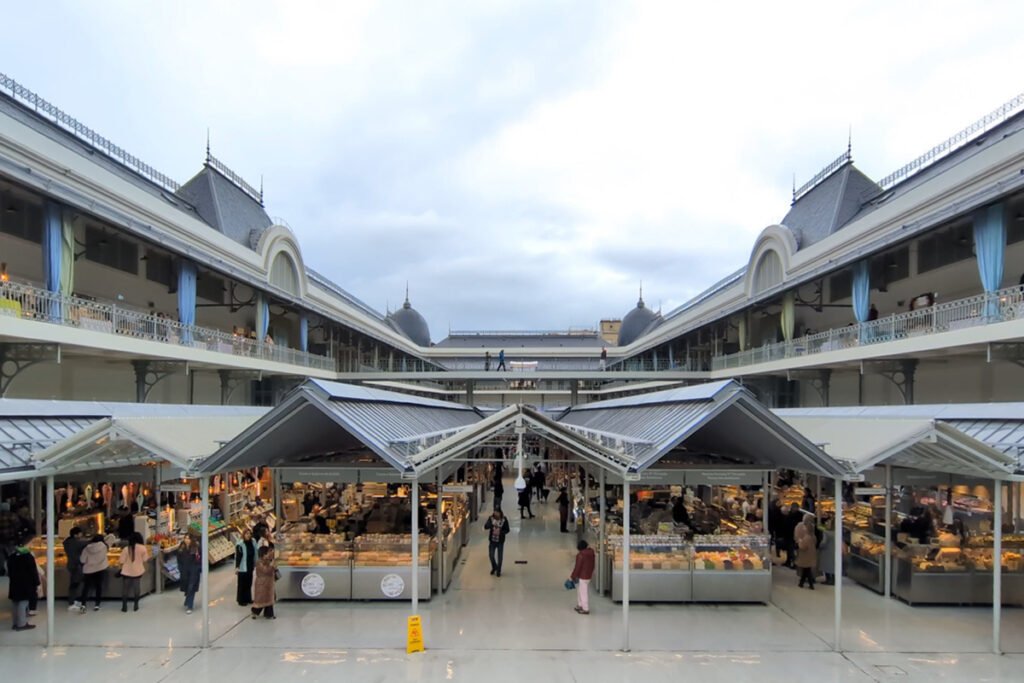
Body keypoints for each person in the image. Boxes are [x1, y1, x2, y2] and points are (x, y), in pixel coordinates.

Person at [6, 532, 40, 631]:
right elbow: (33, 571)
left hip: (15, 583)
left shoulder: (12, 556)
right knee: (23, 602)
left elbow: (9, 570)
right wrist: (37, 583)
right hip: (26, 584)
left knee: (15, 602)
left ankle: (15, 623)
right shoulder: (28, 556)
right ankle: (21, 624)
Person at [119, 531, 150, 612]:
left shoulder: (126, 549)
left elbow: (121, 561)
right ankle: (136, 605)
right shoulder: (142, 548)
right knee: (137, 588)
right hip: (138, 570)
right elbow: (145, 559)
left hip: (126, 571)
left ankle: (124, 606)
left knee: (125, 589)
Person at [79, 533, 109, 611]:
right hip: (100, 569)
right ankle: (97, 604)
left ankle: (83, 604)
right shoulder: (104, 547)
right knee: (98, 587)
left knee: (86, 587)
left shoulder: (86, 548)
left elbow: (82, 560)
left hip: (88, 570)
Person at [63, 526, 87, 611]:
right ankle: (71, 603)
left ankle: (73, 600)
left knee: (74, 583)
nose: (81, 535)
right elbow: (87, 543)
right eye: (80, 533)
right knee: (74, 584)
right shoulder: (75, 543)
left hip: (71, 565)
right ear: (75, 535)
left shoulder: (67, 542)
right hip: (75, 565)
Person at [569, 539, 596, 615]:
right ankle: (580, 605)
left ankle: (585, 608)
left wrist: (572, 576)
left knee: (583, 592)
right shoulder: (591, 553)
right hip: (588, 575)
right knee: (580, 590)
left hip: (582, 576)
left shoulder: (580, 555)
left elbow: (577, 567)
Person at [177, 535, 202, 614]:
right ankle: (187, 600)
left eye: (188, 538)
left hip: (194, 570)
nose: (186, 540)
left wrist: (199, 568)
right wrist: (180, 568)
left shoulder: (195, 547)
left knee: (191, 586)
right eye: (185, 538)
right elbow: (179, 559)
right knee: (187, 586)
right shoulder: (181, 548)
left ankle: (190, 606)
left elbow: (199, 558)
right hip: (185, 570)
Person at [251, 546, 276, 619]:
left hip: (268, 583)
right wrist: (272, 566)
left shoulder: (268, 560)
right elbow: (266, 571)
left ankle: (269, 614)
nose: (270, 554)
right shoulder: (259, 562)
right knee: (261, 599)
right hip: (262, 584)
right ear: (263, 554)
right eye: (268, 553)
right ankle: (255, 611)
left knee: (269, 598)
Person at [483, 509, 510, 577]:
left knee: (500, 557)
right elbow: (486, 526)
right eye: (495, 512)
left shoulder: (504, 520)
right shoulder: (491, 519)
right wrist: (490, 525)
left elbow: (507, 529)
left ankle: (499, 570)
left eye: (497, 512)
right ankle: (494, 566)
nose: (496, 514)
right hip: (492, 541)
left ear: (500, 513)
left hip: (500, 541)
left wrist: (501, 532)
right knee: (491, 555)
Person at [235, 528, 258, 606]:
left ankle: (248, 598)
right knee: (242, 584)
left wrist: (256, 563)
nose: (248, 535)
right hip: (242, 566)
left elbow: (255, 553)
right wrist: (237, 567)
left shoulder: (253, 542)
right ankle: (241, 600)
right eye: (246, 534)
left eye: (249, 534)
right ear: (243, 535)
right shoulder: (240, 544)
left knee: (249, 583)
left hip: (250, 565)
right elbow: (238, 556)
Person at [795, 514, 817, 589]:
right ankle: (802, 583)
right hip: (810, 555)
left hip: (805, 556)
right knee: (806, 570)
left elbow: (803, 547)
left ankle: (810, 584)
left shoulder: (806, 538)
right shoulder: (813, 536)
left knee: (806, 570)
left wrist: (799, 542)